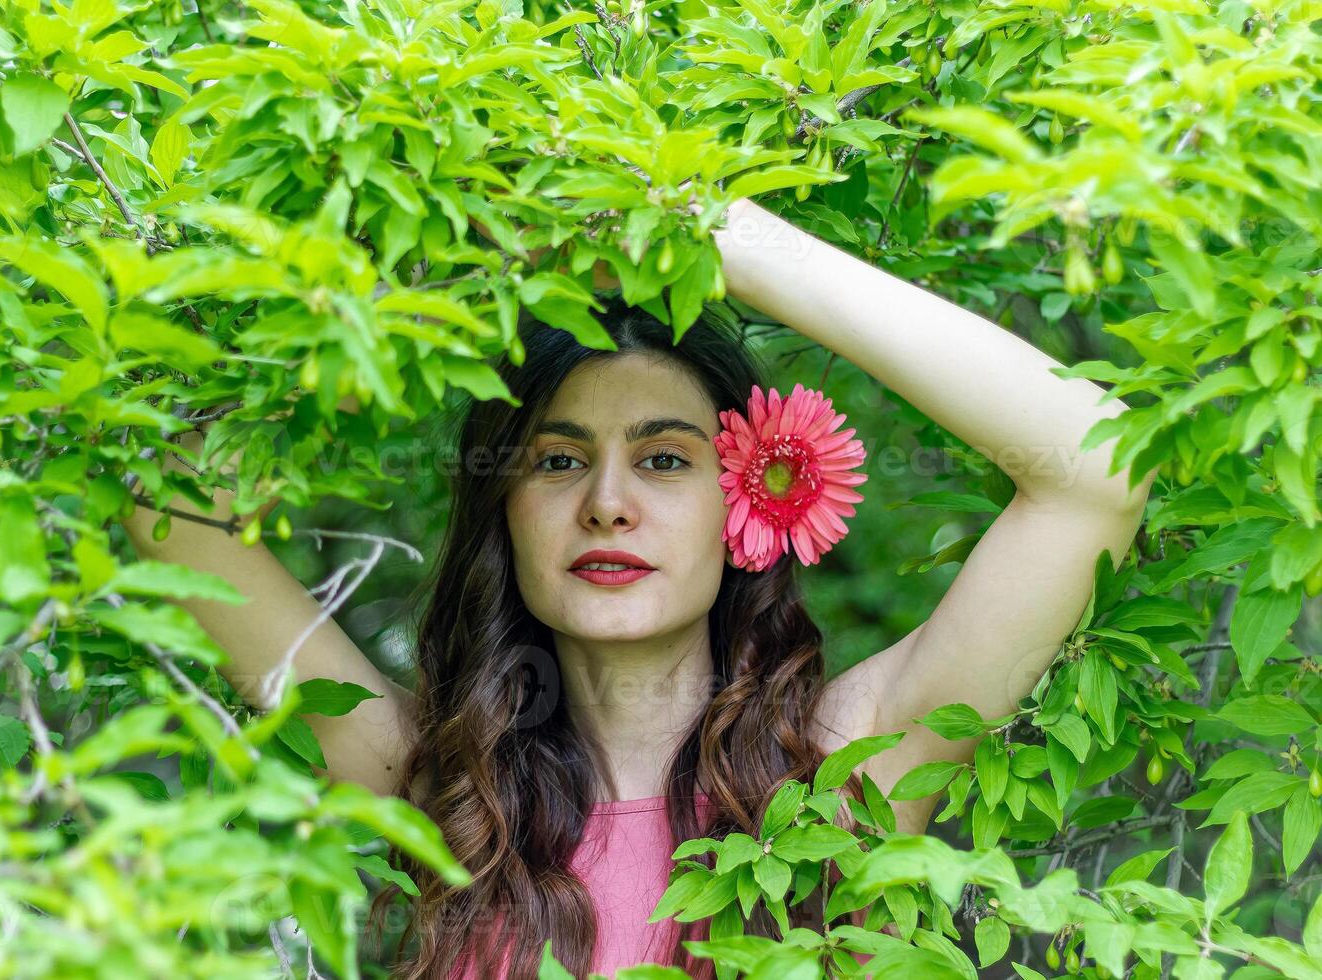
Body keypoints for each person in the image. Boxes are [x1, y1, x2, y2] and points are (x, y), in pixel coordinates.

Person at [121, 196, 1155, 979]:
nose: (609, 503)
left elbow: (1096, 468)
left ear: (745, 495)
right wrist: (445, 283)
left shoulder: (852, 769)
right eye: (560, 460)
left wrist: (723, 235)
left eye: (664, 459)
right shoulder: (427, 785)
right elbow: (168, 502)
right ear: (505, 507)